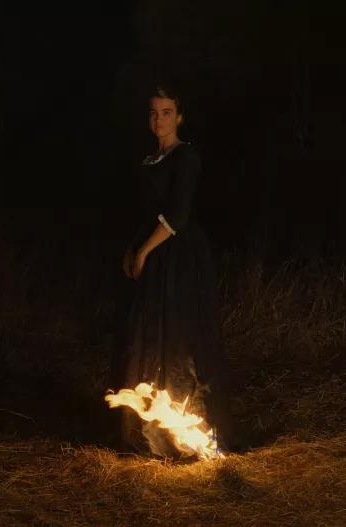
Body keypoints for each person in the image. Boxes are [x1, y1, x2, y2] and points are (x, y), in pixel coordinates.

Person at [111, 85, 235, 456]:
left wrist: (145, 249)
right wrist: (132, 249)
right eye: (153, 112)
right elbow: (143, 213)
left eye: (167, 112)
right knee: (148, 337)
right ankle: (148, 431)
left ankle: (190, 432)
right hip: (153, 255)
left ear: (179, 117)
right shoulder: (149, 160)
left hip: (179, 256)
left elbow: (177, 214)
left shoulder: (186, 156)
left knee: (178, 338)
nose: (159, 119)